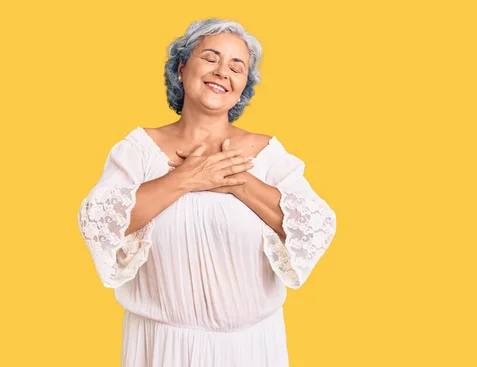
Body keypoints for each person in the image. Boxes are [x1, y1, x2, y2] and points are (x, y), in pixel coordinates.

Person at [77, 18, 337, 367]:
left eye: (236, 66)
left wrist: (235, 179)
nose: (222, 72)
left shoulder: (267, 153)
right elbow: (101, 223)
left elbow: (313, 226)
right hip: (161, 346)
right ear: (182, 68)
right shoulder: (138, 150)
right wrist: (185, 179)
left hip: (252, 348)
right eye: (211, 58)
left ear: (243, 84)